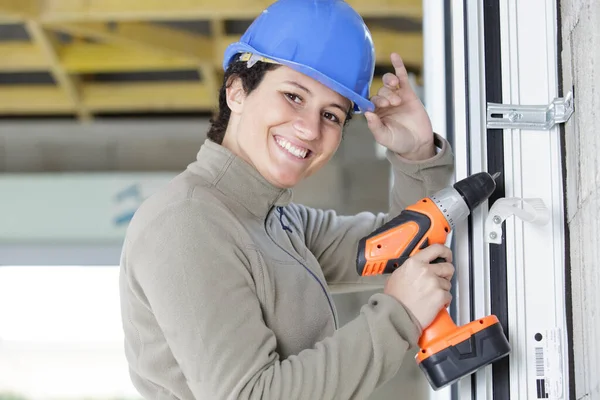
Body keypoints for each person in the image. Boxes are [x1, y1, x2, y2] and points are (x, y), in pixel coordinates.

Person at [118, 0, 456, 398]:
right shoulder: (186, 223)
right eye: (294, 96)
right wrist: (398, 317)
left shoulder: (277, 222)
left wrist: (415, 155)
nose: (310, 129)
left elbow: (402, 248)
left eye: (331, 115)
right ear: (237, 91)